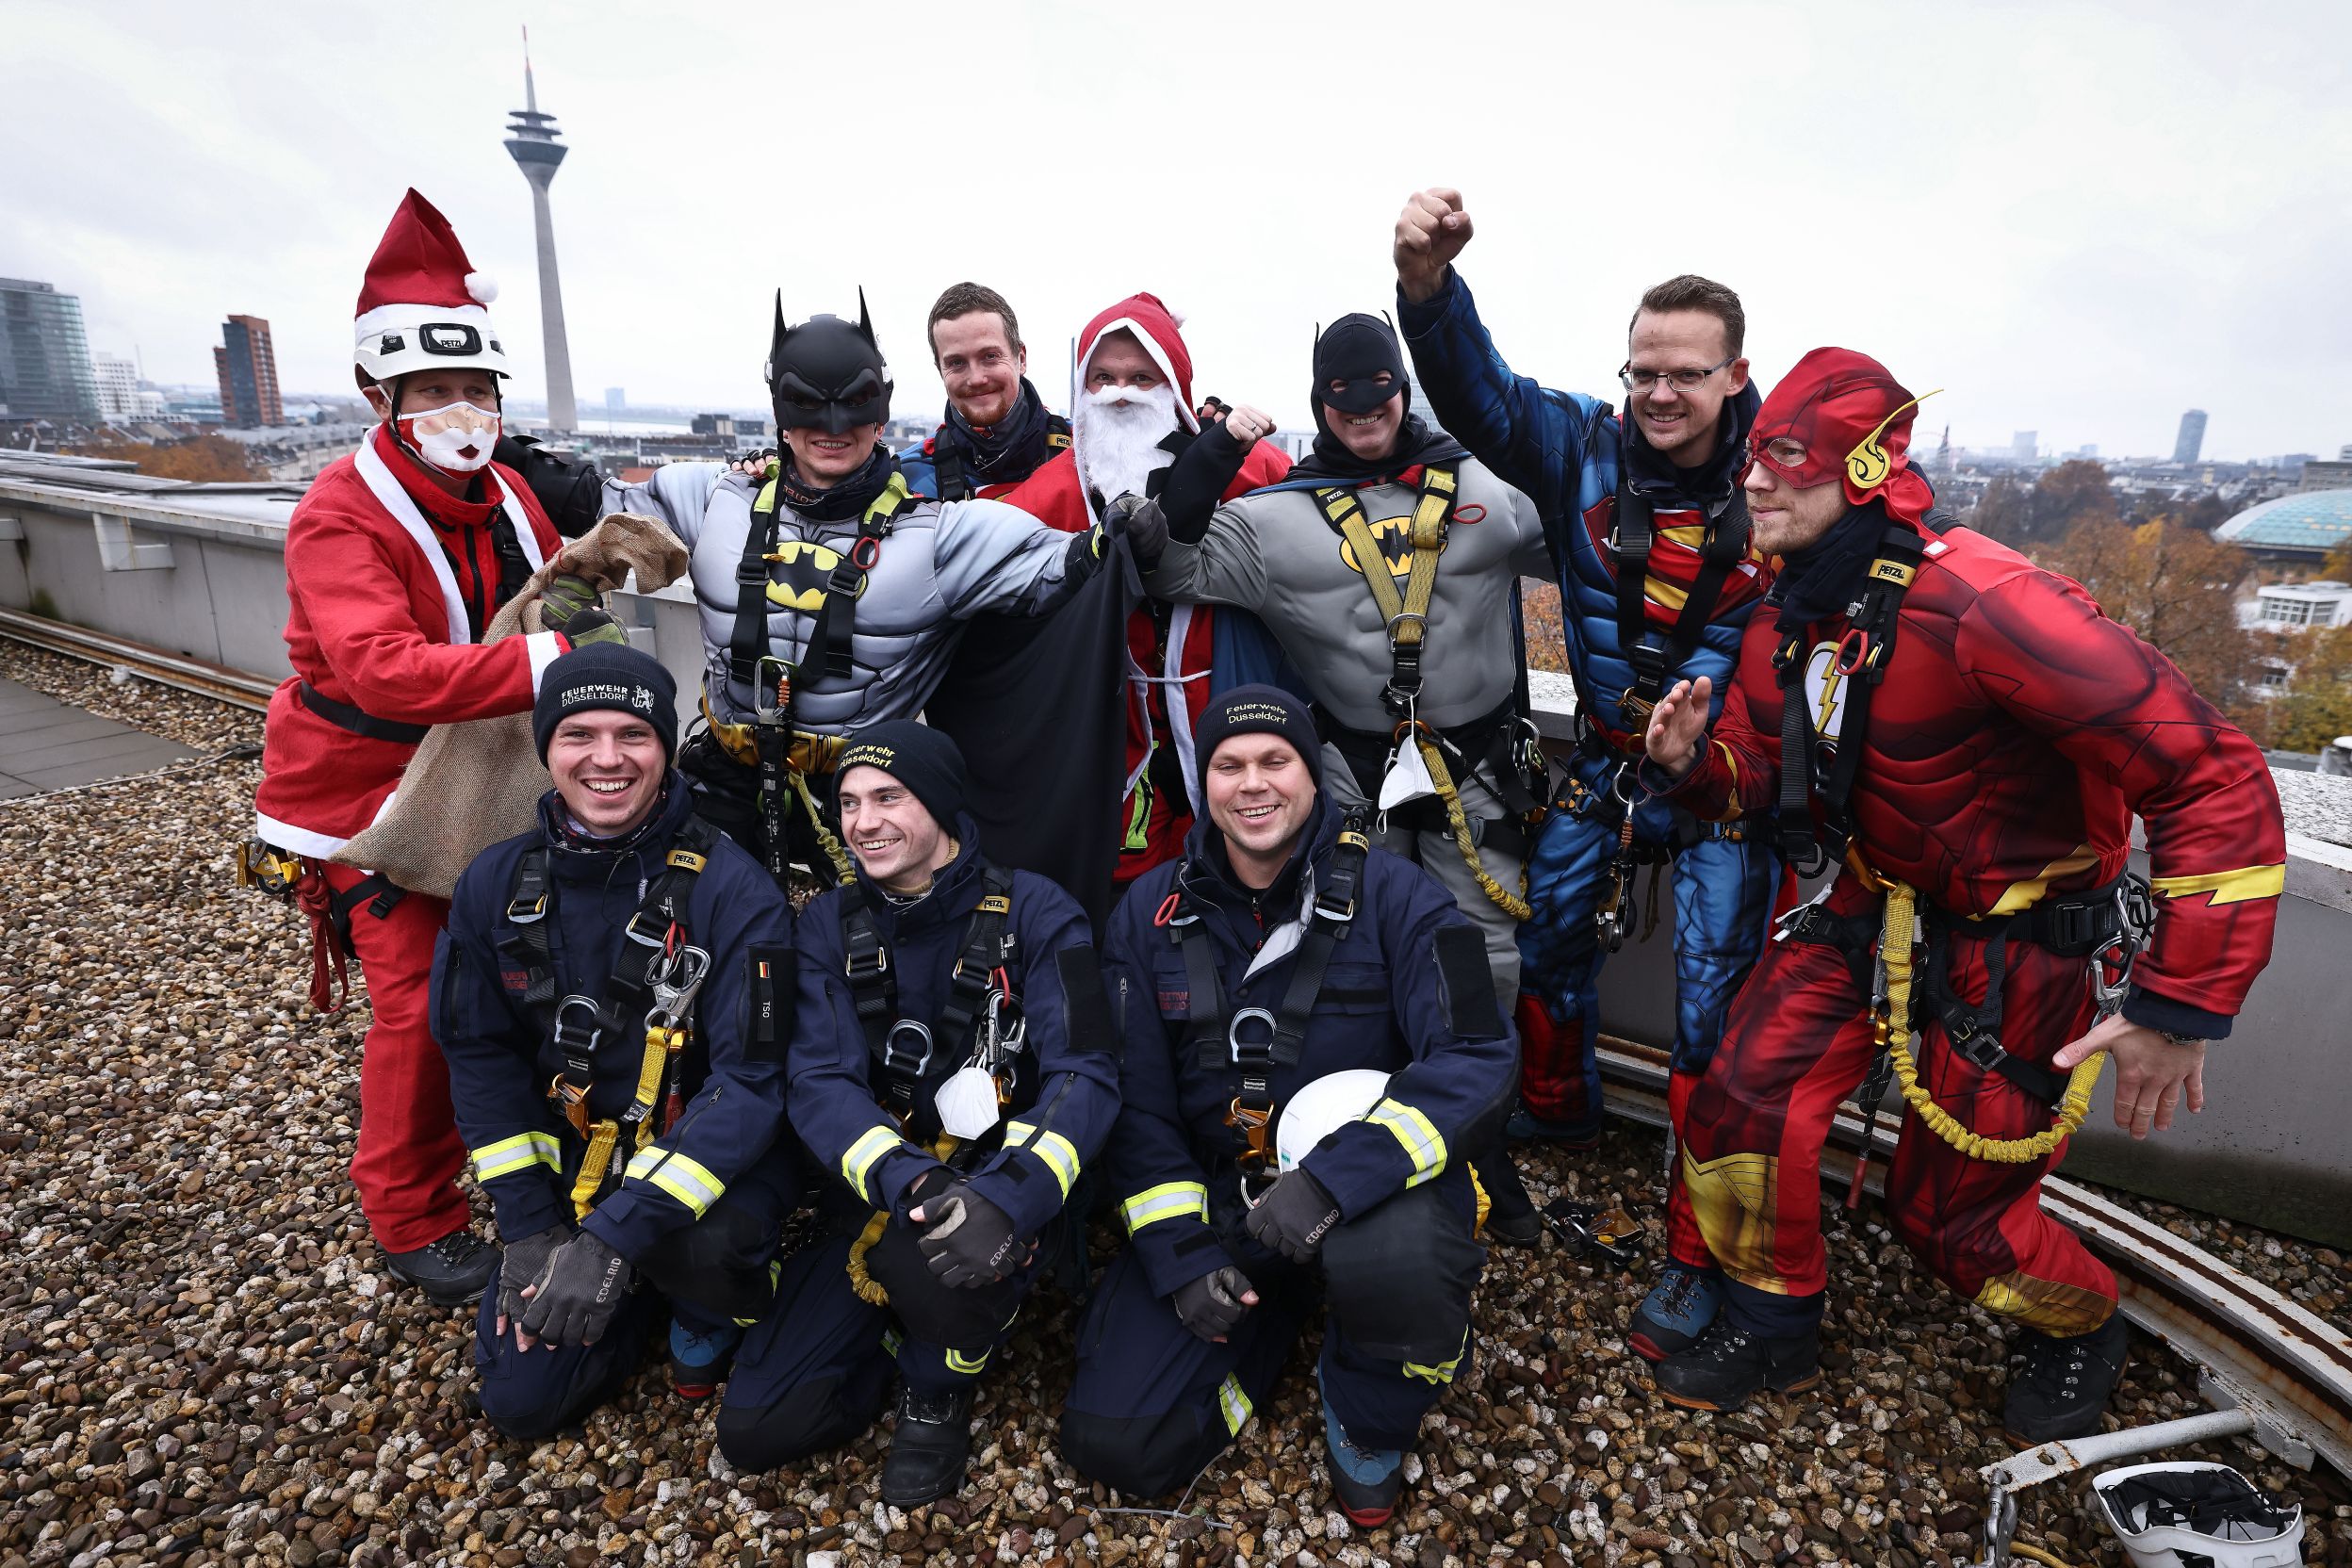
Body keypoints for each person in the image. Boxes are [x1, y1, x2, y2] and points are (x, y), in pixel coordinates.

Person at [1638, 348, 2284, 1439]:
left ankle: (2082, 1323)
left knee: (1953, 1216)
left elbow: (2211, 771)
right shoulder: (1786, 609)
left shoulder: (1994, 604)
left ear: (1867, 470)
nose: (1755, 482)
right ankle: (1774, 1318)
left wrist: (2181, 1003)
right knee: (1738, 1099)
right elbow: (1767, 768)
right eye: (1757, 457)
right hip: (1869, 901)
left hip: (2019, 942)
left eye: (1790, 460)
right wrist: (1693, 764)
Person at [1394, 188, 1778, 1361]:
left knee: (1715, 994)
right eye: (1642, 371)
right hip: (1610, 764)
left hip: (1720, 785)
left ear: (1735, 374)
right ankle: (1555, 1108)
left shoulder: (1782, 482)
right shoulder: (1584, 450)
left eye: (1686, 374)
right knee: (1551, 928)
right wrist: (1428, 290)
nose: (1659, 394)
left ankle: (1699, 1234)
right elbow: (1482, 396)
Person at [249, 189, 620, 1305]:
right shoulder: (339, 514)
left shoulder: (502, 492)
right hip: (367, 797)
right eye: (437, 392)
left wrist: (595, 575)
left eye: (477, 389)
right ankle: (409, 1213)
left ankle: (524, 1152)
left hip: (478, 777)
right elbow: (380, 668)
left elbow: (549, 589)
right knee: (420, 999)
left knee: (524, 975)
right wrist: (548, 663)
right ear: (384, 398)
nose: (464, 410)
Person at [498, 295, 1154, 884]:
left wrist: (1149, 508)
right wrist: (479, 428)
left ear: (882, 408)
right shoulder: (712, 498)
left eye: (854, 402)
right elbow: (594, 508)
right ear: (780, 410)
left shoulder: (942, 534)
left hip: (866, 795)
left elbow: (1072, 568)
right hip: (725, 774)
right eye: (809, 404)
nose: (833, 424)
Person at [1059, 687, 1515, 1526]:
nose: (1253, 784)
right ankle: (1273, 1328)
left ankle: (1372, 1399)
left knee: (1398, 1266)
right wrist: (1177, 1251)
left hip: (1369, 1197)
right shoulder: (1142, 912)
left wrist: (1335, 1183)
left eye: (1276, 760)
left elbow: (1478, 1055)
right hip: (1225, 1206)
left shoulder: (1402, 898)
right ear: (1205, 784)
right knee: (1118, 1446)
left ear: (1313, 778)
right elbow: (1130, 1102)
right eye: (1229, 765)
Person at [716, 724, 1119, 1507]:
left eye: (888, 797)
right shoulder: (826, 926)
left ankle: (942, 1376)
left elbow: (1087, 1072)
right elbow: (820, 1083)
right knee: (758, 1431)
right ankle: (890, 1331)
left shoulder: (1039, 913)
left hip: (1006, 1195)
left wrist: (1011, 1194)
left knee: (942, 1249)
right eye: (849, 803)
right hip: (882, 1195)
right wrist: (909, 1181)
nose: (863, 822)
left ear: (940, 803)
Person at [433, 644, 796, 1433]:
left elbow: (753, 1085)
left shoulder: (737, 892)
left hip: (707, 1171)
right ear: (546, 750)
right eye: (579, 735)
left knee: (707, 1251)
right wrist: (531, 1228)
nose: (607, 759)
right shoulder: (493, 885)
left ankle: (703, 1302)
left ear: (666, 749)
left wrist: (612, 1241)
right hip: (575, 1168)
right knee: (521, 1403)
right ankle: (629, 1304)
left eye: (633, 734)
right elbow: (479, 1055)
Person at [988, 293, 1292, 890]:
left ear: (1174, 386)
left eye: (1141, 377)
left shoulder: (1251, 467)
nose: (1120, 393)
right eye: (1102, 377)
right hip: (1109, 745)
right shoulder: (1052, 492)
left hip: (1230, 723)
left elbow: (1330, 512)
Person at [896, 282, 1070, 503]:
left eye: (990, 356)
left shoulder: (1088, 459)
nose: (977, 379)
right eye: (957, 362)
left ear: (1021, 358)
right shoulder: (905, 479)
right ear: (940, 371)